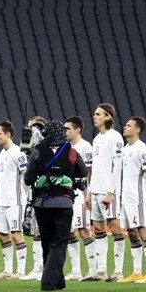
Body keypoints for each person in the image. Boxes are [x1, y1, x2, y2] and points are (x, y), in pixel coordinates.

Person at [24, 121, 88, 291]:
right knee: (59, 243)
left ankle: (58, 281)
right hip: (63, 203)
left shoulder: (38, 151)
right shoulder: (71, 152)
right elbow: (82, 171)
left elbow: (28, 179)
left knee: (47, 242)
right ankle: (48, 283)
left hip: (42, 204)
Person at [87, 103, 125, 281]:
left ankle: (118, 271)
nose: (94, 117)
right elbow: (94, 168)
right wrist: (89, 190)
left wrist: (111, 191)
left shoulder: (115, 137)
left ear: (108, 117)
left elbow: (118, 166)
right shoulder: (96, 139)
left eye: (98, 114)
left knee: (115, 228)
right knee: (98, 229)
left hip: (108, 191)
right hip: (95, 190)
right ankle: (101, 271)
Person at [118, 117, 146, 283]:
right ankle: (136, 271)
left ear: (137, 130)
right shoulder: (126, 148)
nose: (125, 127)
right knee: (132, 233)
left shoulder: (142, 148)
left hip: (137, 196)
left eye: (129, 125)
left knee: (142, 230)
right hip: (125, 197)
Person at [0, 121, 28, 279]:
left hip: (15, 201)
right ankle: (7, 270)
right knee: (3, 235)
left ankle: (20, 270)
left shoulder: (18, 153)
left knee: (16, 234)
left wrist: (24, 196)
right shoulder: (2, 153)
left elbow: (26, 176)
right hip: (4, 201)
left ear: (8, 134)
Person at [63, 116, 96, 280]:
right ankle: (76, 270)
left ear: (78, 130)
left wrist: (88, 192)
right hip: (68, 193)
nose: (65, 131)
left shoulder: (85, 147)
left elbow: (90, 171)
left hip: (81, 194)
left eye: (68, 128)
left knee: (83, 230)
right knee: (70, 232)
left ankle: (92, 269)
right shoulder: (65, 147)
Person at [21, 116, 47, 280]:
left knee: (43, 230)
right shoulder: (33, 150)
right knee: (36, 230)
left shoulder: (44, 146)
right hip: (34, 190)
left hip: (44, 190)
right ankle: (38, 267)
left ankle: (44, 267)